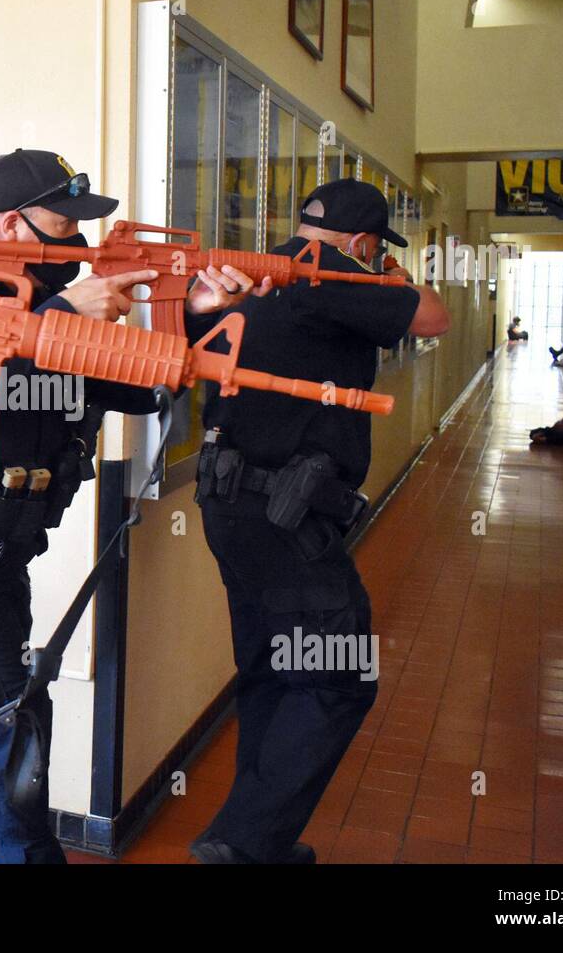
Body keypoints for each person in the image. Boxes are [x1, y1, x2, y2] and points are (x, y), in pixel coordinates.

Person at [0, 149, 268, 863]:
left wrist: (199, 321)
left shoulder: (59, 311)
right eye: (66, 226)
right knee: (8, 734)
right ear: (14, 226)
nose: (80, 246)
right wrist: (58, 316)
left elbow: (147, 385)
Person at [188, 177, 450, 865]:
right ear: (363, 242)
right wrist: (387, 272)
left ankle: (258, 842)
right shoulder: (338, 276)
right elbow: (433, 315)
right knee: (339, 673)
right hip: (286, 515)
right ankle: (239, 844)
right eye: (374, 249)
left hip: (228, 504)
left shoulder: (261, 269)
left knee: (272, 668)